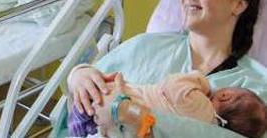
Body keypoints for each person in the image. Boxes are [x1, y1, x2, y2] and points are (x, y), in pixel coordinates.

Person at [54, 0, 267, 137]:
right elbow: (77, 113)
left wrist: (130, 113)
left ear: (238, 5)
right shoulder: (144, 46)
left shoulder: (254, 85)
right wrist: (79, 76)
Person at [69, 71, 267, 138]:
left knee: (101, 94)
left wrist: (200, 81)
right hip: (130, 129)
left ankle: (81, 119)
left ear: (224, 95)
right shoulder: (205, 129)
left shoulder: (199, 101)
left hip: (125, 102)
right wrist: (78, 74)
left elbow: (173, 85)